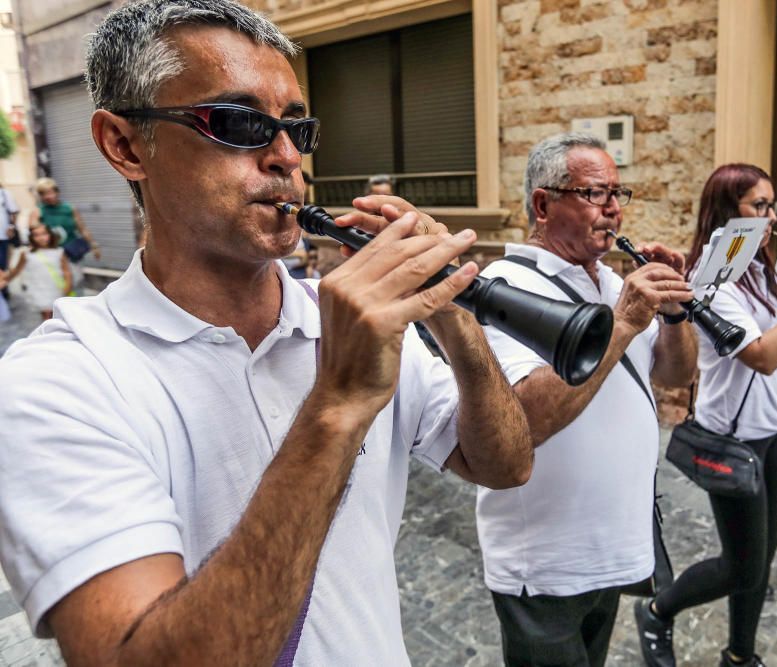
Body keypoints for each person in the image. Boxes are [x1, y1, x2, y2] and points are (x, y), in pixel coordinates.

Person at [0, 2, 533, 666]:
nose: (286, 157)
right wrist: (337, 404)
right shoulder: (59, 381)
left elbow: (505, 464)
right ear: (126, 144)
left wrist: (453, 313)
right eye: (241, 123)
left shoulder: (342, 318)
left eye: (296, 128)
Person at [476, 132, 699, 666]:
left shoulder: (605, 281)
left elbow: (675, 373)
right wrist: (623, 320)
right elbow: (527, 419)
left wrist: (673, 311)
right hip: (548, 560)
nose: (614, 211)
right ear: (543, 204)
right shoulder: (503, 285)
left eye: (619, 195)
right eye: (597, 194)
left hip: (613, 543)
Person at [635, 164, 777, 667]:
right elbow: (764, 355)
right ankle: (658, 610)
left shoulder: (757, 266)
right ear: (728, 212)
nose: (771, 217)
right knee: (742, 567)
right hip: (735, 438)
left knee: (761, 562)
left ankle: (740, 655)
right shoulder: (712, 277)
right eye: (759, 206)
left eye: (773, 206)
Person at [30, 177, 101, 289]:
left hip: (71, 253)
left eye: (50, 192)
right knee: (56, 284)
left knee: (76, 281)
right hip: (52, 255)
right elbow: (32, 234)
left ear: (57, 192)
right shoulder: (38, 211)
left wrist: (94, 246)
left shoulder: (69, 209)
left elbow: (82, 229)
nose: (48, 197)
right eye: (43, 194)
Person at [3, 223, 73, 320]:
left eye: (44, 234)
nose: (41, 238)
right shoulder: (26, 254)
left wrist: (68, 285)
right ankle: (48, 330)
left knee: (54, 312)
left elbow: (66, 271)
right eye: (36, 235)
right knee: (45, 313)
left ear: (50, 235)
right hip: (37, 288)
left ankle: (50, 330)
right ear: (31, 237)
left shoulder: (59, 252)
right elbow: (17, 270)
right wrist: (6, 280)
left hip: (55, 288)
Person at [0, 181, 19, 299]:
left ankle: (4, 290)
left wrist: (12, 227)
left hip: (2, 236)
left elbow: (13, 212)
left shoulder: (4, 193)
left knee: (2, 264)